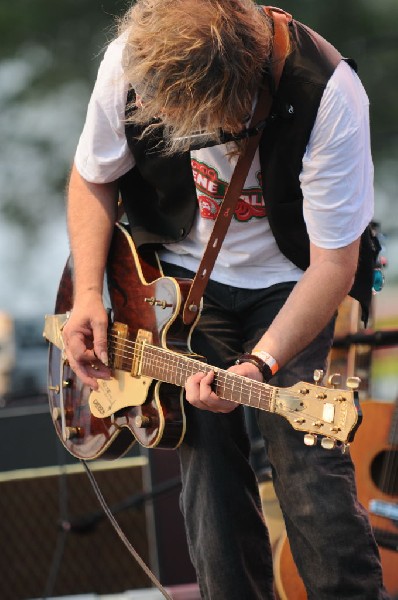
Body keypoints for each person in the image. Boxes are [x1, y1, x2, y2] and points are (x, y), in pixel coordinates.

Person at [61, 1, 389, 598]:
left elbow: (334, 263)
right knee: (206, 467)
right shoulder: (130, 60)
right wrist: (88, 294)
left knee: (310, 469)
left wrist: (260, 363)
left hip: (295, 278)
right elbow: (92, 176)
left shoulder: (327, 92)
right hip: (180, 280)